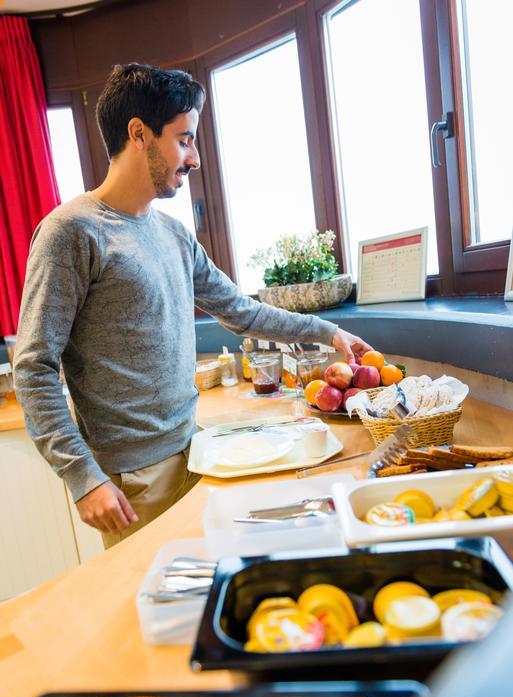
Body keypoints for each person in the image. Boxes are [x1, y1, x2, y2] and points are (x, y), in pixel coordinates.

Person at [14, 63, 372, 548]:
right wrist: (84, 477)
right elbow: (33, 368)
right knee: (157, 615)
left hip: (197, 451)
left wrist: (326, 332)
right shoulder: (72, 232)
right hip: (133, 479)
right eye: (184, 139)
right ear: (138, 133)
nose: (195, 158)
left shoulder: (175, 236)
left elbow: (241, 311)